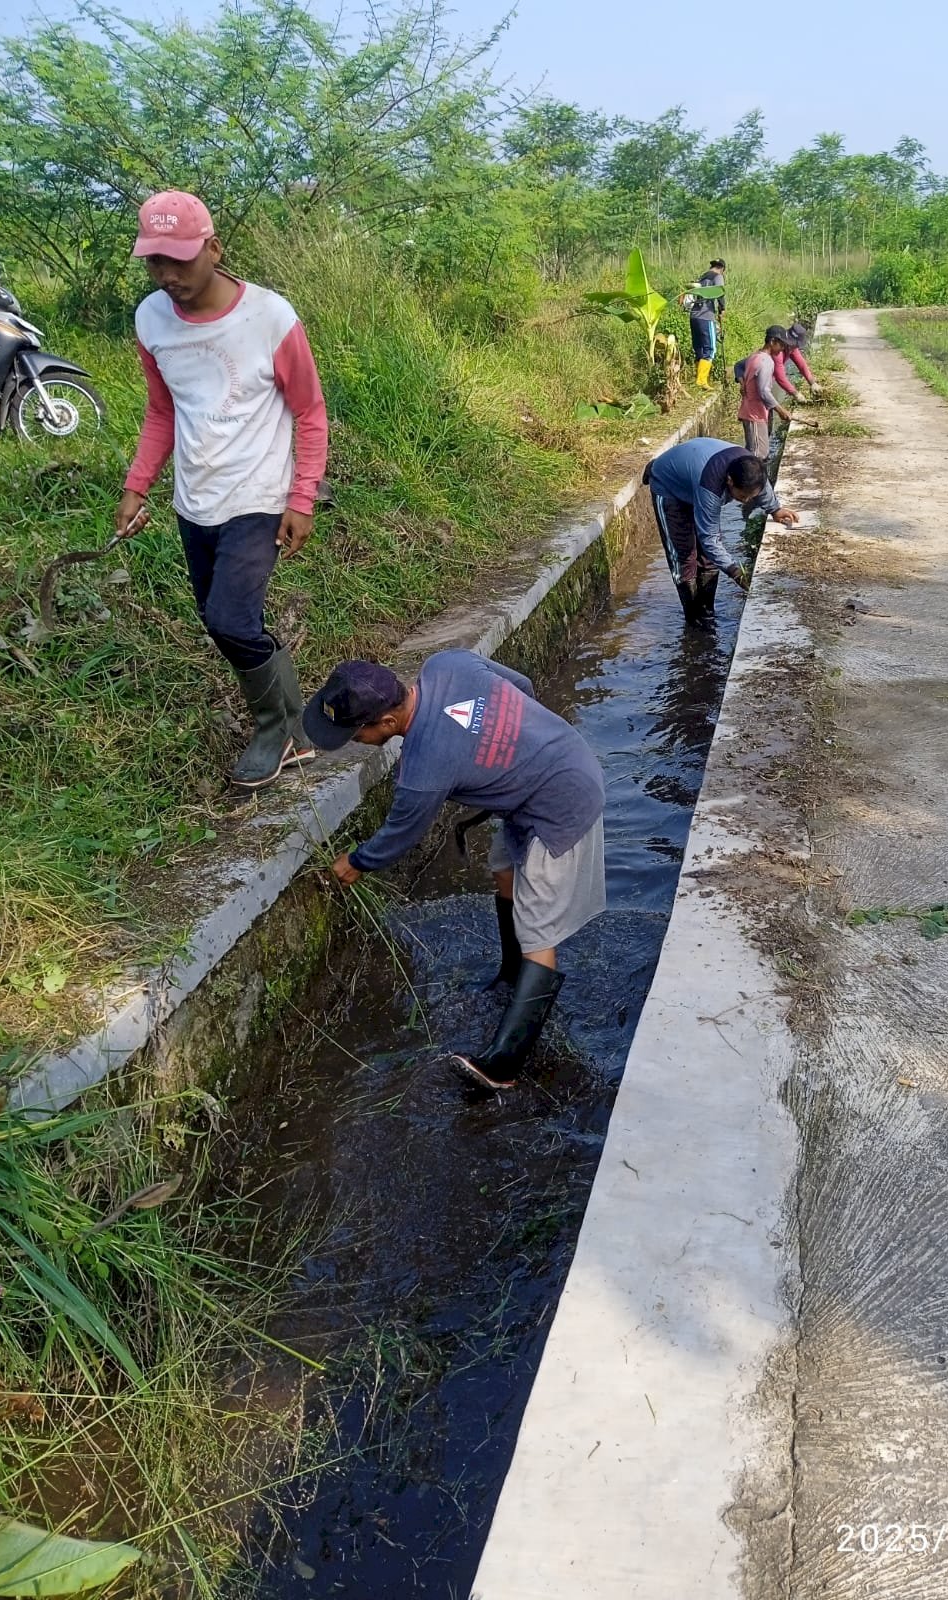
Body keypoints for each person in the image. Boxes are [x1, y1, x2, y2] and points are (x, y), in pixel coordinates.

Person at [307, 651, 607, 1092]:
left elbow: (400, 833)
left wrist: (355, 862)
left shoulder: (425, 766)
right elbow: (521, 685)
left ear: (387, 725)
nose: (354, 741)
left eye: (356, 733)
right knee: (503, 869)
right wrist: (507, 752)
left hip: (562, 803)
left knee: (539, 929)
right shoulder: (447, 665)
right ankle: (511, 976)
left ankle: (504, 1066)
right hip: (556, 761)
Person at [115, 190, 329, 790]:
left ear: (214, 248)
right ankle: (295, 727)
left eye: (180, 259)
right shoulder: (150, 319)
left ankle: (273, 730)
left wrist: (302, 498)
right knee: (222, 621)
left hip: (258, 495)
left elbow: (310, 413)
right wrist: (138, 486)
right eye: (155, 261)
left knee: (231, 617)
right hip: (195, 498)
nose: (168, 275)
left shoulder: (269, 316)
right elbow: (163, 411)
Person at [644, 436, 800, 629]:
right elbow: (709, 538)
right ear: (729, 481)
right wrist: (735, 570)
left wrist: (775, 509)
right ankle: (693, 619)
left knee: (709, 560)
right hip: (669, 487)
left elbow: (762, 487)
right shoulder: (711, 485)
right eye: (742, 496)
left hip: (694, 473)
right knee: (684, 555)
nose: (745, 501)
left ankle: (708, 613)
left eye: (750, 497)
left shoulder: (751, 467)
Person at [738, 326, 795, 461]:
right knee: (758, 455)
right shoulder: (766, 361)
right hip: (754, 414)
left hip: (753, 412)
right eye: (781, 345)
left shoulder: (755, 356)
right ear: (772, 341)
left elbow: (739, 368)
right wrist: (781, 410)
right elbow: (764, 391)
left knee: (755, 451)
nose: (782, 349)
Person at [687, 258, 726, 389]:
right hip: (706, 316)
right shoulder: (718, 276)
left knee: (699, 348)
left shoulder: (702, 277)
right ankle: (701, 381)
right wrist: (722, 309)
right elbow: (720, 292)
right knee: (710, 349)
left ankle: (698, 379)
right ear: (722, 268)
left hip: (694, 316)